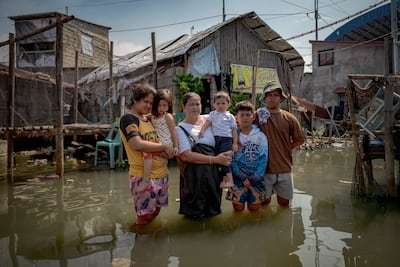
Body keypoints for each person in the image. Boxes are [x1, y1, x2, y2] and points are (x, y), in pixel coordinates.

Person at [119, 82, 174, 225]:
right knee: (144, 217)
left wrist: (168, 151)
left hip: (162, 173)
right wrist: (164, 146)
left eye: (151, 103)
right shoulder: (129, 119)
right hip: (143, 175)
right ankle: (140, 243)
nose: (149, 106)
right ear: (135, 100)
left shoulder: (148, 118)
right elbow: (136, 144)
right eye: (145, 102)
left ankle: (152, 242)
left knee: (156, 212)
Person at [176, 92, 232, 219]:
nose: (195, 107)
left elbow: (233, 122)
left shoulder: (210, 118)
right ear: (184, 108)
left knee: (213, 211)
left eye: (197, 104)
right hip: (193, 178)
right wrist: (215, 159)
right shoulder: (180, 129)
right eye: (191, 105)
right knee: (194, 213)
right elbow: (186, 156)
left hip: (213, 176)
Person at [255, 80, 305, 206]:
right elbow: (242, 130)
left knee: (284, 203)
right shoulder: (257, 116)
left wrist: (286, 148)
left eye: (275, 95)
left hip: (284, 168)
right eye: (269, 95)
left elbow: (300, 139)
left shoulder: (289, 118)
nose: (272, 98)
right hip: (263, 169)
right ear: (264, 98)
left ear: (281, 98)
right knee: (264, 202)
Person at [225, 100, 268, 212]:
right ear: (236, 117)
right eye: (242, 115)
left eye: (248, 115)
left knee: (254, 209)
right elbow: (231, 159)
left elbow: (263, 159)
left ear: (253, 116)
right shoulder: (232, 136)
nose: (245, 118)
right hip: (237, 179)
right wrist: (242, 176)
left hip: (257, 179)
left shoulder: (261, 136)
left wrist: (254, 178)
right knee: (237, 209)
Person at [198, 91, 238, 188]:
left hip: (226, 139)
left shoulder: (230, 116)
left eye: (223, 103)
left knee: (225, 158)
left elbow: (234, 131)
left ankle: (230, 180)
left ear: (228, 104)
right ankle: (223, 179)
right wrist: (202, 130)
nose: (220, 106)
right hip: (216, 139)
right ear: (214, 104)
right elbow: (207, 123)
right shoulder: (212, 114)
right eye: (218, 103)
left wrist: (235, 143)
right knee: (217, 158)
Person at [142, 88, 178, 180]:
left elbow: (173, 132)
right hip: (158, 143)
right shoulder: (153, 116)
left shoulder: (168, 116)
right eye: (159, 105)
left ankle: (146, 178)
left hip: (165, 143)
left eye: (164, 106)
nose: (162, 108)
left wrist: (176, 146)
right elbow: (143, 117)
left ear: (169, 106)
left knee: (147, 152)